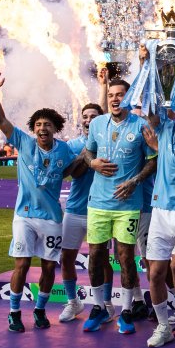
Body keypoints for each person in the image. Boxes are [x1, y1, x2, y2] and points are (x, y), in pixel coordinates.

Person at [0, 70, 82, 332]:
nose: (42, 128)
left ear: (54, 129)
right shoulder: (24, 142)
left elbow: (69, 169)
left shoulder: (65, 149)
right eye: (38, 124)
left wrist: (88, 158)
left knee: (49, 267)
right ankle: (14, 312)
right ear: (34, 129)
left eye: (47, 125)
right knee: (23, 263)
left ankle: (40, 310)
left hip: (52, 218)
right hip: (25, 216)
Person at [82, 79, 157, 334]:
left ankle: (126, 310)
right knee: (95, 256)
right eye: (111, 95)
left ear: (128, 98)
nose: (115, 99)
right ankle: (99, 307)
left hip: (127, 204)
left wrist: (135, 181)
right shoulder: (96, 123)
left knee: (125, 256)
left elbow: (153, 160)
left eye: (120, 95)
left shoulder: (141, 126)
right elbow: (87, 153)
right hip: (98, 203)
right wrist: (92, 164)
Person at [58, 102, 116, 323]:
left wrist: (87, 157)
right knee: (66, 258)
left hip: (100, 209)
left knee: (100, 259)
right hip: (74, 208)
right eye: (85, 116)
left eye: (93, 115)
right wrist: (85, 156)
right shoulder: (73, 144)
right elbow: (69, 173)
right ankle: (74, 303)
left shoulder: (109, 143)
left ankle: (107, 304)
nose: (88, 119)